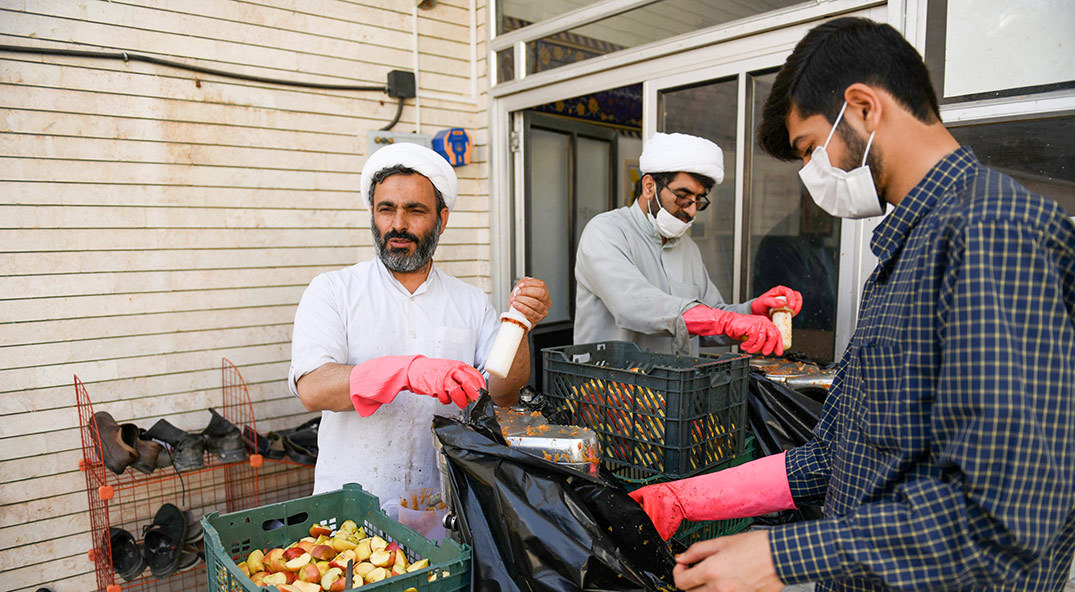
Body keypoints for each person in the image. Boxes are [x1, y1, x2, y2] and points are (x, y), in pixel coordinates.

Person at [629, 17, 1075, 592]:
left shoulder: (989, 234)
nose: (815, 176)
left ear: (863, 108)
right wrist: (688, 498)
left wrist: (780, 557)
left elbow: (1002, 513)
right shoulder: (908, 248)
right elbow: (840, 458)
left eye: (812, 148)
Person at [289, 142, 550, 517]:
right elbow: (313, 389)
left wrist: (520, 324)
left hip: (445, 505)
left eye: (415, 211)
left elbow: (503, 392)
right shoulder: (333, 291)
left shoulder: (471, 301)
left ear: (442, 219)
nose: (398, 225)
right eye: (386, 210)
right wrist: (406, 371)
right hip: (353, 506)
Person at [573, 131, 802, 356]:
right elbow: (633, 305)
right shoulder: (606, 232)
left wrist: (752, 312)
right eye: (683, 196)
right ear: (649, 186)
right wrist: (726, 321)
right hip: (606, 388)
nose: (691, 211)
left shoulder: (688, 248)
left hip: (669, 390)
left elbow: (710, 321)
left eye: (698, 200)